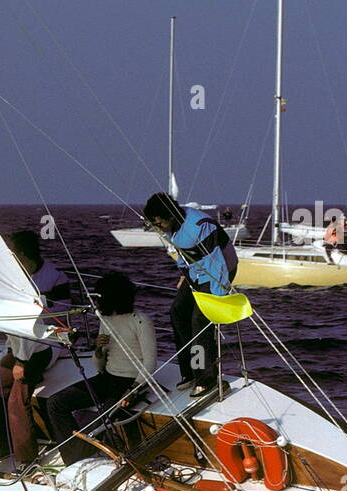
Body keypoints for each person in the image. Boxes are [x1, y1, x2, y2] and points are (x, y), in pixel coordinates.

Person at [46, 272, 157, 464]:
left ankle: (73, 461)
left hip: (131, 382)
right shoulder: (106, 321)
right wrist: (98, 349)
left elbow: (150, 361)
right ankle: (72, 457)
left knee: (97, 424)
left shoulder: (140, 320)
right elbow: (99, 366)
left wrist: (133, 389)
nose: (96, 303)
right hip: (108, 378)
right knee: (55, 403)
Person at [0, 230, 71, 463]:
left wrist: (22, 360)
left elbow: (58, 319)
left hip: (47, 344)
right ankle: (6, 445)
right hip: (19, 346)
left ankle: (27, 458)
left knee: (17, 400)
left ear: (22, 255)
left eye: (11, 254)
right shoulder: (12, 280)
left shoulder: (55, 277)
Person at [142, 192, 235, 397]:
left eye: (159, 224)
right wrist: (184, 275)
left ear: (171, 216)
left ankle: (206, 379)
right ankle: (190, 371)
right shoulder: (168, 226)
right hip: (195, 271)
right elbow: (183, 254)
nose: (158, 228)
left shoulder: (199, 226)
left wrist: (218, 296)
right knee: (177, 312)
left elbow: (216, 263)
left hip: (218, 272)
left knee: (199, 322)